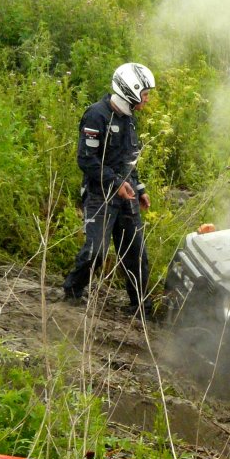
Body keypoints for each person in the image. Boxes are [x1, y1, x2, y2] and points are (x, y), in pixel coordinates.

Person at [62, 62, 155, 317]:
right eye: (144, 94)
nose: (146, 100)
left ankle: (141, 308)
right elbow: (86, 160)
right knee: (96, 251)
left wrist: (139, 187)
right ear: (130, 90)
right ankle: (71, 292)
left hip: (127, 195)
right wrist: (115, 183)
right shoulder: (96, 115)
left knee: (136, 254)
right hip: (100, 195)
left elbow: (128, 160)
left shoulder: (129, 118)